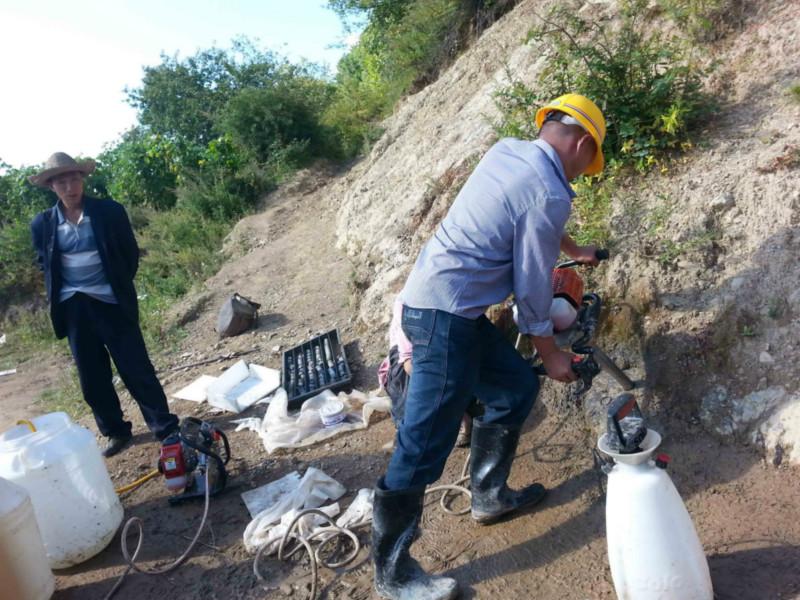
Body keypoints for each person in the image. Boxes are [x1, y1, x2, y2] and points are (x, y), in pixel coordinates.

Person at [370, 93, 607, 600]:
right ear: (584, 143)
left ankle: (488, 496)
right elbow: (531, 287)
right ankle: (393, 573)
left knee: (514, 388)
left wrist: (574, 250)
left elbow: (525, 215)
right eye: (590, 162)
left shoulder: (507, 151)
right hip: (443, 319)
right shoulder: (550, 193)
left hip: (442, 303)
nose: (586, 171)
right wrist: (553, 355)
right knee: (424, 438)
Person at [29, 153, 179, 457]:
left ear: (82, 180)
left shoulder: (109, 212)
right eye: (62, 181)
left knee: (136, 367)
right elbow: (44, 261)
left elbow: (129, 254)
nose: (70, 186)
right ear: (51, 187)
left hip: (111, 301)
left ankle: (164, 426)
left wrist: (116, 283)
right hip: (73, 307)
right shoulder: (43, 224)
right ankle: (115, 431)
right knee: (92, 376)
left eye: (74, 178)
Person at [378, 298, 483, 447]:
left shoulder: (449, 301)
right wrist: (455, 412)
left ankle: (460, 407)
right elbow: (409, 367)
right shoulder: (408, 304)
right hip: (407, 364)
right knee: (414, 421)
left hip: (439, 350)